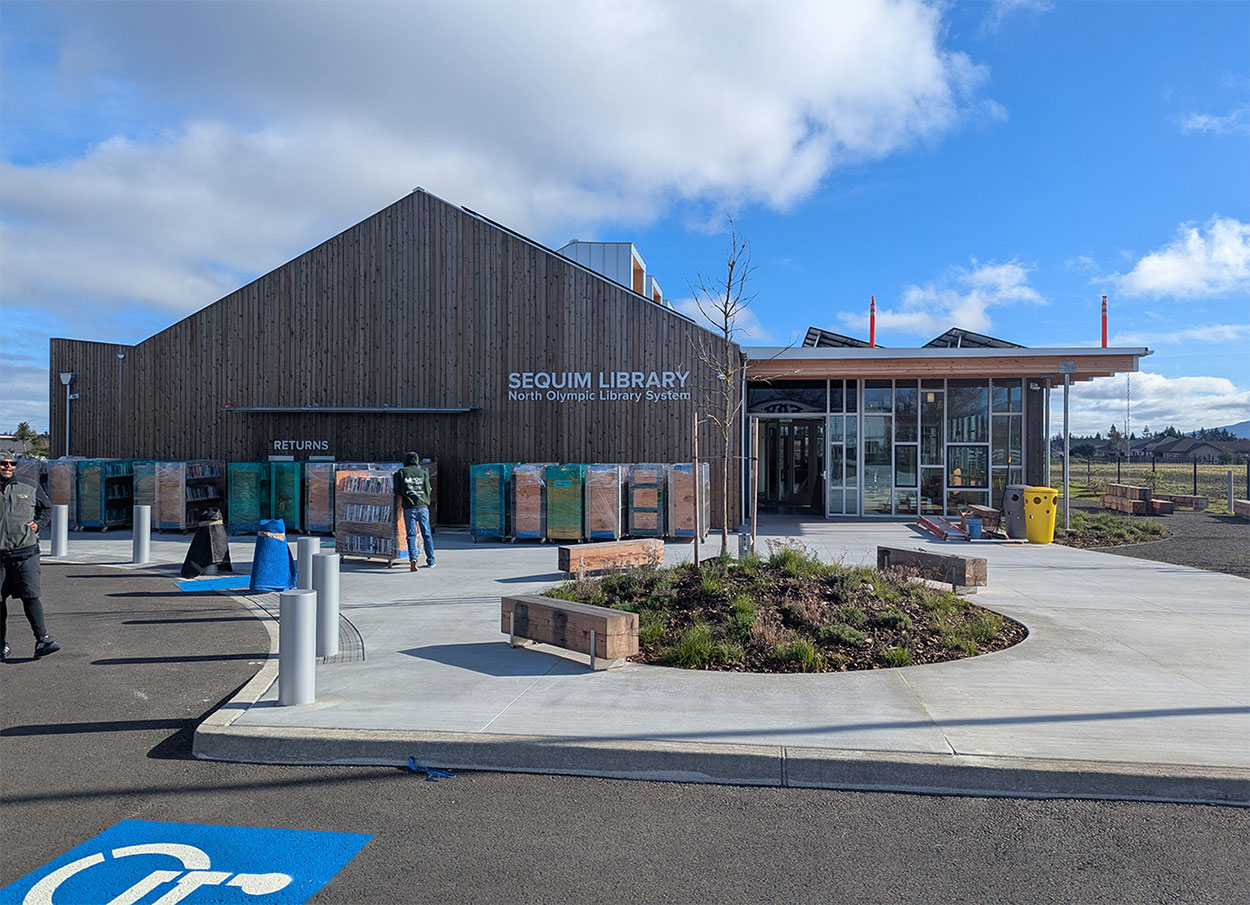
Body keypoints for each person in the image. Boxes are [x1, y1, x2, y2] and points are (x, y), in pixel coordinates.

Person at [1, 457, 60, 662]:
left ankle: (43, 640)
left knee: (31, 596)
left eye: (12, 463)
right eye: (3, 463)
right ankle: (1, 644)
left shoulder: (29, 486)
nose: (8, 466)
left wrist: (38, 524)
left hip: (25, 552)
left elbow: (47, 507)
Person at [394, 451, 435, 571]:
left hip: (409, 508)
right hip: (423, 507)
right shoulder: (423, 473)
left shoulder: (401, 472)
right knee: (426, 534)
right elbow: (428, 489)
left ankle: (413, 559)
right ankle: (431, 560)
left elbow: (397, 490)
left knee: (411, 535)